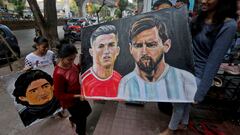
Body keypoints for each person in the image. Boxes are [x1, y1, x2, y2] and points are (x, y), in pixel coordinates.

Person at [160, 0, 237, 134]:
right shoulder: (198, 19)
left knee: (178, 101)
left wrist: (201, 92)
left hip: (199, 74)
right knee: (184, 102)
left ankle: (170, 130)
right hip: (185, 67)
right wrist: (178, 12)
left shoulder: (228, 25)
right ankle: (183, 124)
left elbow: (214, 62)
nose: (203, 0)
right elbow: (182, 33)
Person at [117, 17, 197, 102]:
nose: (144, 52)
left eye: (151, 45)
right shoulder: (126, 83)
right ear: (130, 49)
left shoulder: (185, 80)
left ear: (166, 46)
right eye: (138, 46)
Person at [53, 44, 91, 135]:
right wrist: (77, 96)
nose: (72, 61)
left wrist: (79, 65)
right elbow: (59, 95)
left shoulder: (70, 64)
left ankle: (72, 119)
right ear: (61, 58)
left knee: (88, 110)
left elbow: (74, 71)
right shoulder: (58, 74)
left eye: (74, 58)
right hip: (70, 101)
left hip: (79, 94)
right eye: (70, 59)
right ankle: (80, 132)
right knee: (81, 120)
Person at [81, 25, 122, 98]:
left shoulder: (121, 81)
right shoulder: (85, 82)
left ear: (117, 50)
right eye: (101, 46)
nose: (106, 51)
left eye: (111, 45)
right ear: (91, 52)